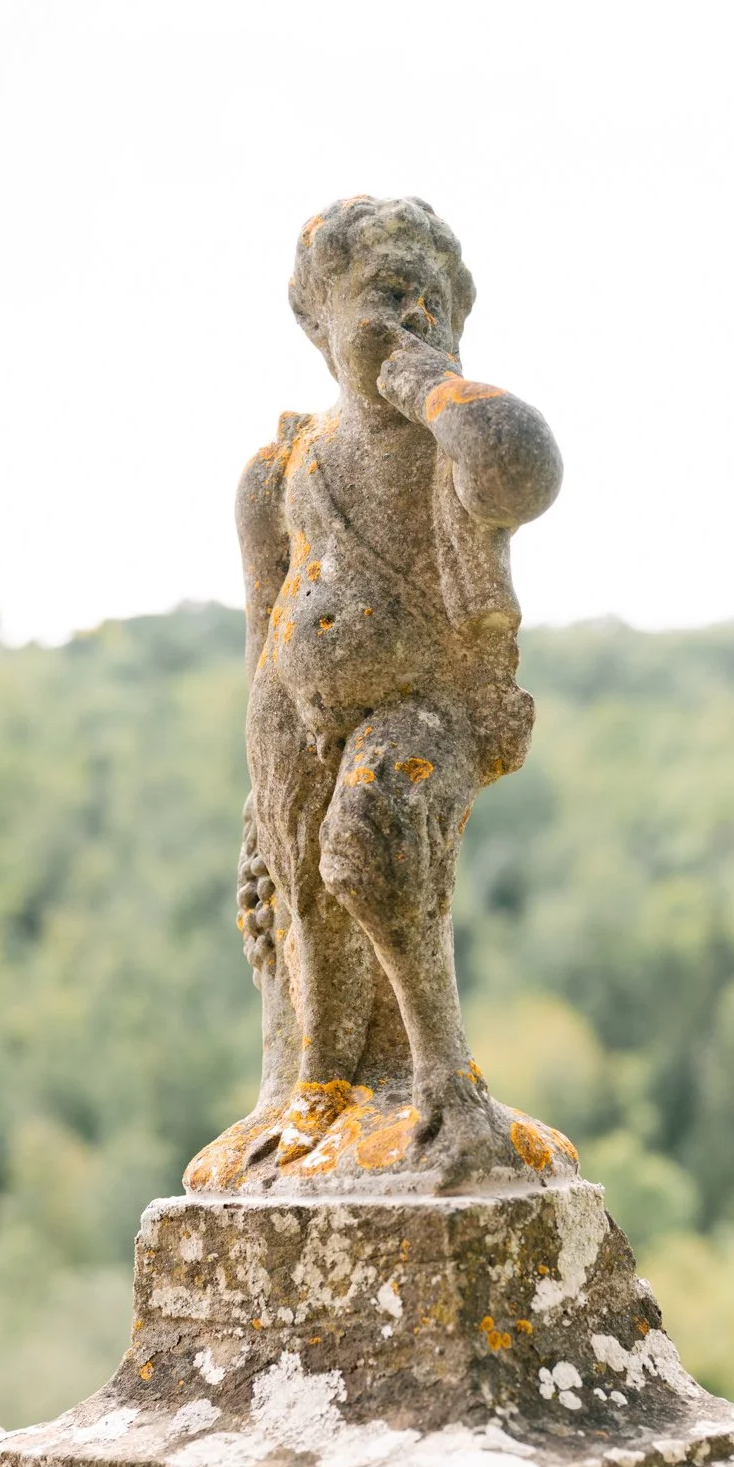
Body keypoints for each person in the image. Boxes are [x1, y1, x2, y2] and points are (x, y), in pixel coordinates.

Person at [186, 196, 565, 1192]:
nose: (412, 317)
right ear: (317, 319)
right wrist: (268, 753)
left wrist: (430, 384)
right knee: (305, 897)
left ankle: (443, 1080)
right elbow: (265, 616)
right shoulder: (280, 468)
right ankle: (311, 1088)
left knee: (373, 838)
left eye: (432, 301)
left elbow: (522, 472)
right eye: (385, 296)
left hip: (429, 702)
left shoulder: (453, 438)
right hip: (295, 717)